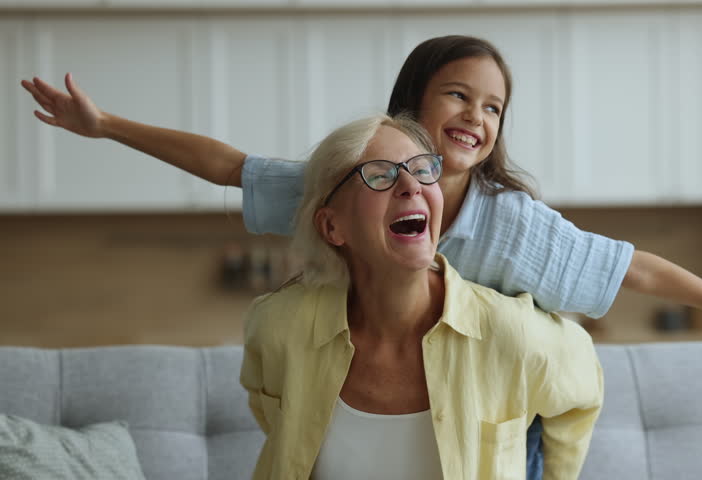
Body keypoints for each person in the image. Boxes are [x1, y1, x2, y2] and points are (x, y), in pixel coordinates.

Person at [21, 34, 702, 479]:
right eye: (458, 94)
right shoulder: (348, 189)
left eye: (494, 107)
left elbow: (630, 269)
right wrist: (107, 127)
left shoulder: (512, 224)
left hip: (496, 425)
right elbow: (229, 165)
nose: (476, 115)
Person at [240, 112, 603, 479]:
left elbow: (582, 393)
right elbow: (283, 435)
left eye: (422, 168)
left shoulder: (512, 332)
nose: (411, 185)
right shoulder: (277, 327)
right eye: (380, 174)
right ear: (333, 226)